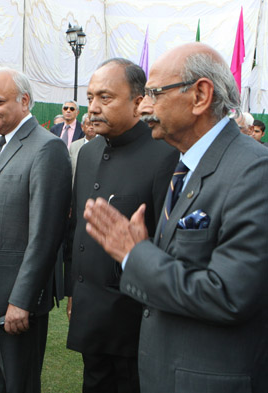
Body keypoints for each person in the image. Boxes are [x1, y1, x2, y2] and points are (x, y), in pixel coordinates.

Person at [84, 43, 268, 393]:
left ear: (200, 95)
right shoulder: (185, 165)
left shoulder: (252, 172)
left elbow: (228, 294)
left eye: (154, 92)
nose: (145, 106)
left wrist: (135, 254)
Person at [0, 68, 72, 392]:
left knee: (17, 385)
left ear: (24, 101)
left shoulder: (47, 148)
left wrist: (22, 299)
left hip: (12, 304)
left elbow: (45, 235)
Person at [67, 58, 179, 393]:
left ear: (138, 101)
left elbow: (165, 242)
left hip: (134, 319)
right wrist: (74, 288)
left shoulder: (165, 154)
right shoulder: (88, 153)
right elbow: (78, 226)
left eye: (105, 97)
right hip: (91, 313)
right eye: (89, 98)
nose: (93, 108)